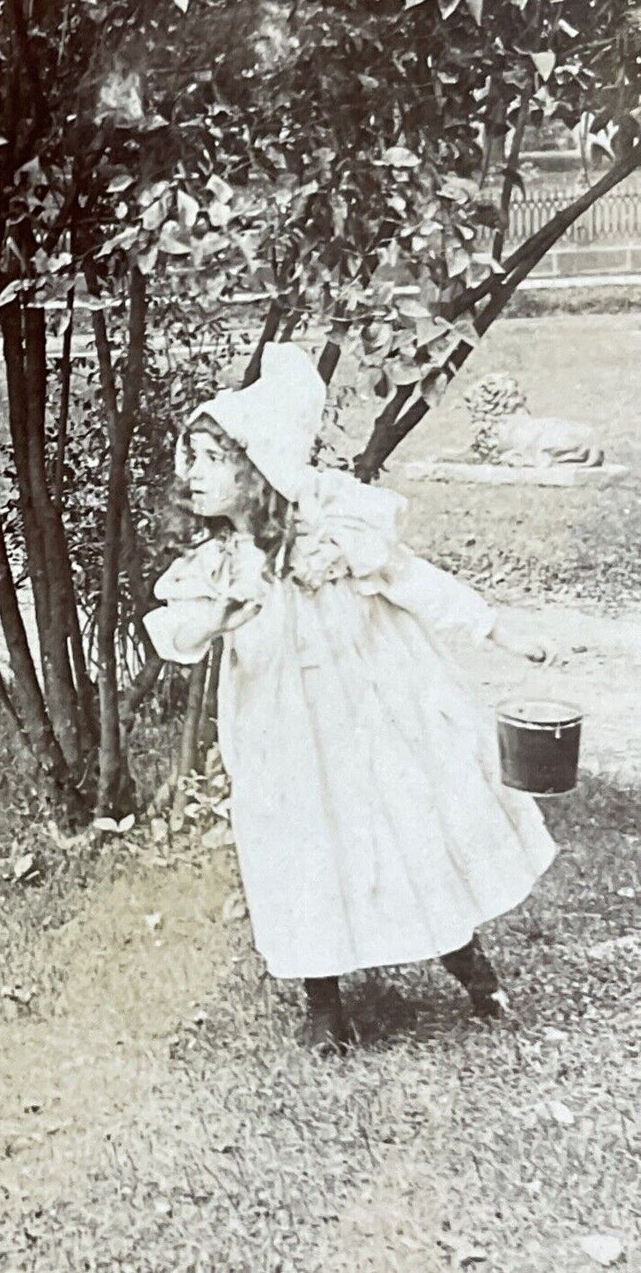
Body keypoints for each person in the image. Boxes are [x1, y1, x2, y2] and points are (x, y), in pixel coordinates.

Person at [141, 344, 558, 1054]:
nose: (193, 475)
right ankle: (323, 1001)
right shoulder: (218, 560)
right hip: (281, 724)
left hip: (366, 708)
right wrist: (220, 615)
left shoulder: (332, 528)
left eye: (212, 459)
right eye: (192, 459)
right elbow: (172, 631)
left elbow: (410, 578)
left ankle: (466, 961)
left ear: (258, 467)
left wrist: (496, 628)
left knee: (405, 820)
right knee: (301, 844)